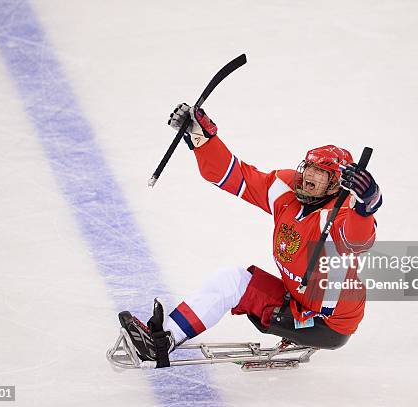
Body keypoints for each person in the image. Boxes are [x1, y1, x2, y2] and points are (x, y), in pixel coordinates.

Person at [118, 103, 382, 362]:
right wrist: (202, 138)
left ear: (336, 183)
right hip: (295, 300)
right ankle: (164, 340)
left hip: (327, 322)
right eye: (308, 167)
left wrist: (367, 203)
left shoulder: (340, 215)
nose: (308, 176)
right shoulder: (287, 190)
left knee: (236, 283)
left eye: (320, 173)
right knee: (231, 280)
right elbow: (234, 176)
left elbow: (359, 239)